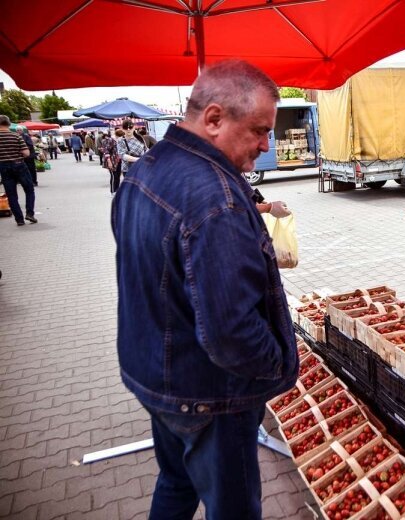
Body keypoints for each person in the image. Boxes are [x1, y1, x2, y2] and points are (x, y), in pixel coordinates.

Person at [111, 60, 298, 519]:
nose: (265, 144)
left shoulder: (145, 168)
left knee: (175, 481)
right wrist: (279, 366)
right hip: (209, 395)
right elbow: (232, 333)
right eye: (258, 130)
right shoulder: (218, 200)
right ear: (214, 119)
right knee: (232, 507)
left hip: (154, 373)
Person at [0, 115, 37, 226]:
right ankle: (29, 213)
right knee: (29, 189)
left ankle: (19, 219)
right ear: (9, 124)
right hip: (19, 165)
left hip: (3, 167)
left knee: (11, 195)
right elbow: (26, 153)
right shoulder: (16, 136)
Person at [102, 129, 122, 194]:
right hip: (112, 161)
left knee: (118, 176)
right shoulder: (110, 140)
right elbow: (106, 151)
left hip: (118, 160)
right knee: (114, 176)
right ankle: (113, 191)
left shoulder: (119, 140)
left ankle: (117, 190)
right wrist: (109, 161)